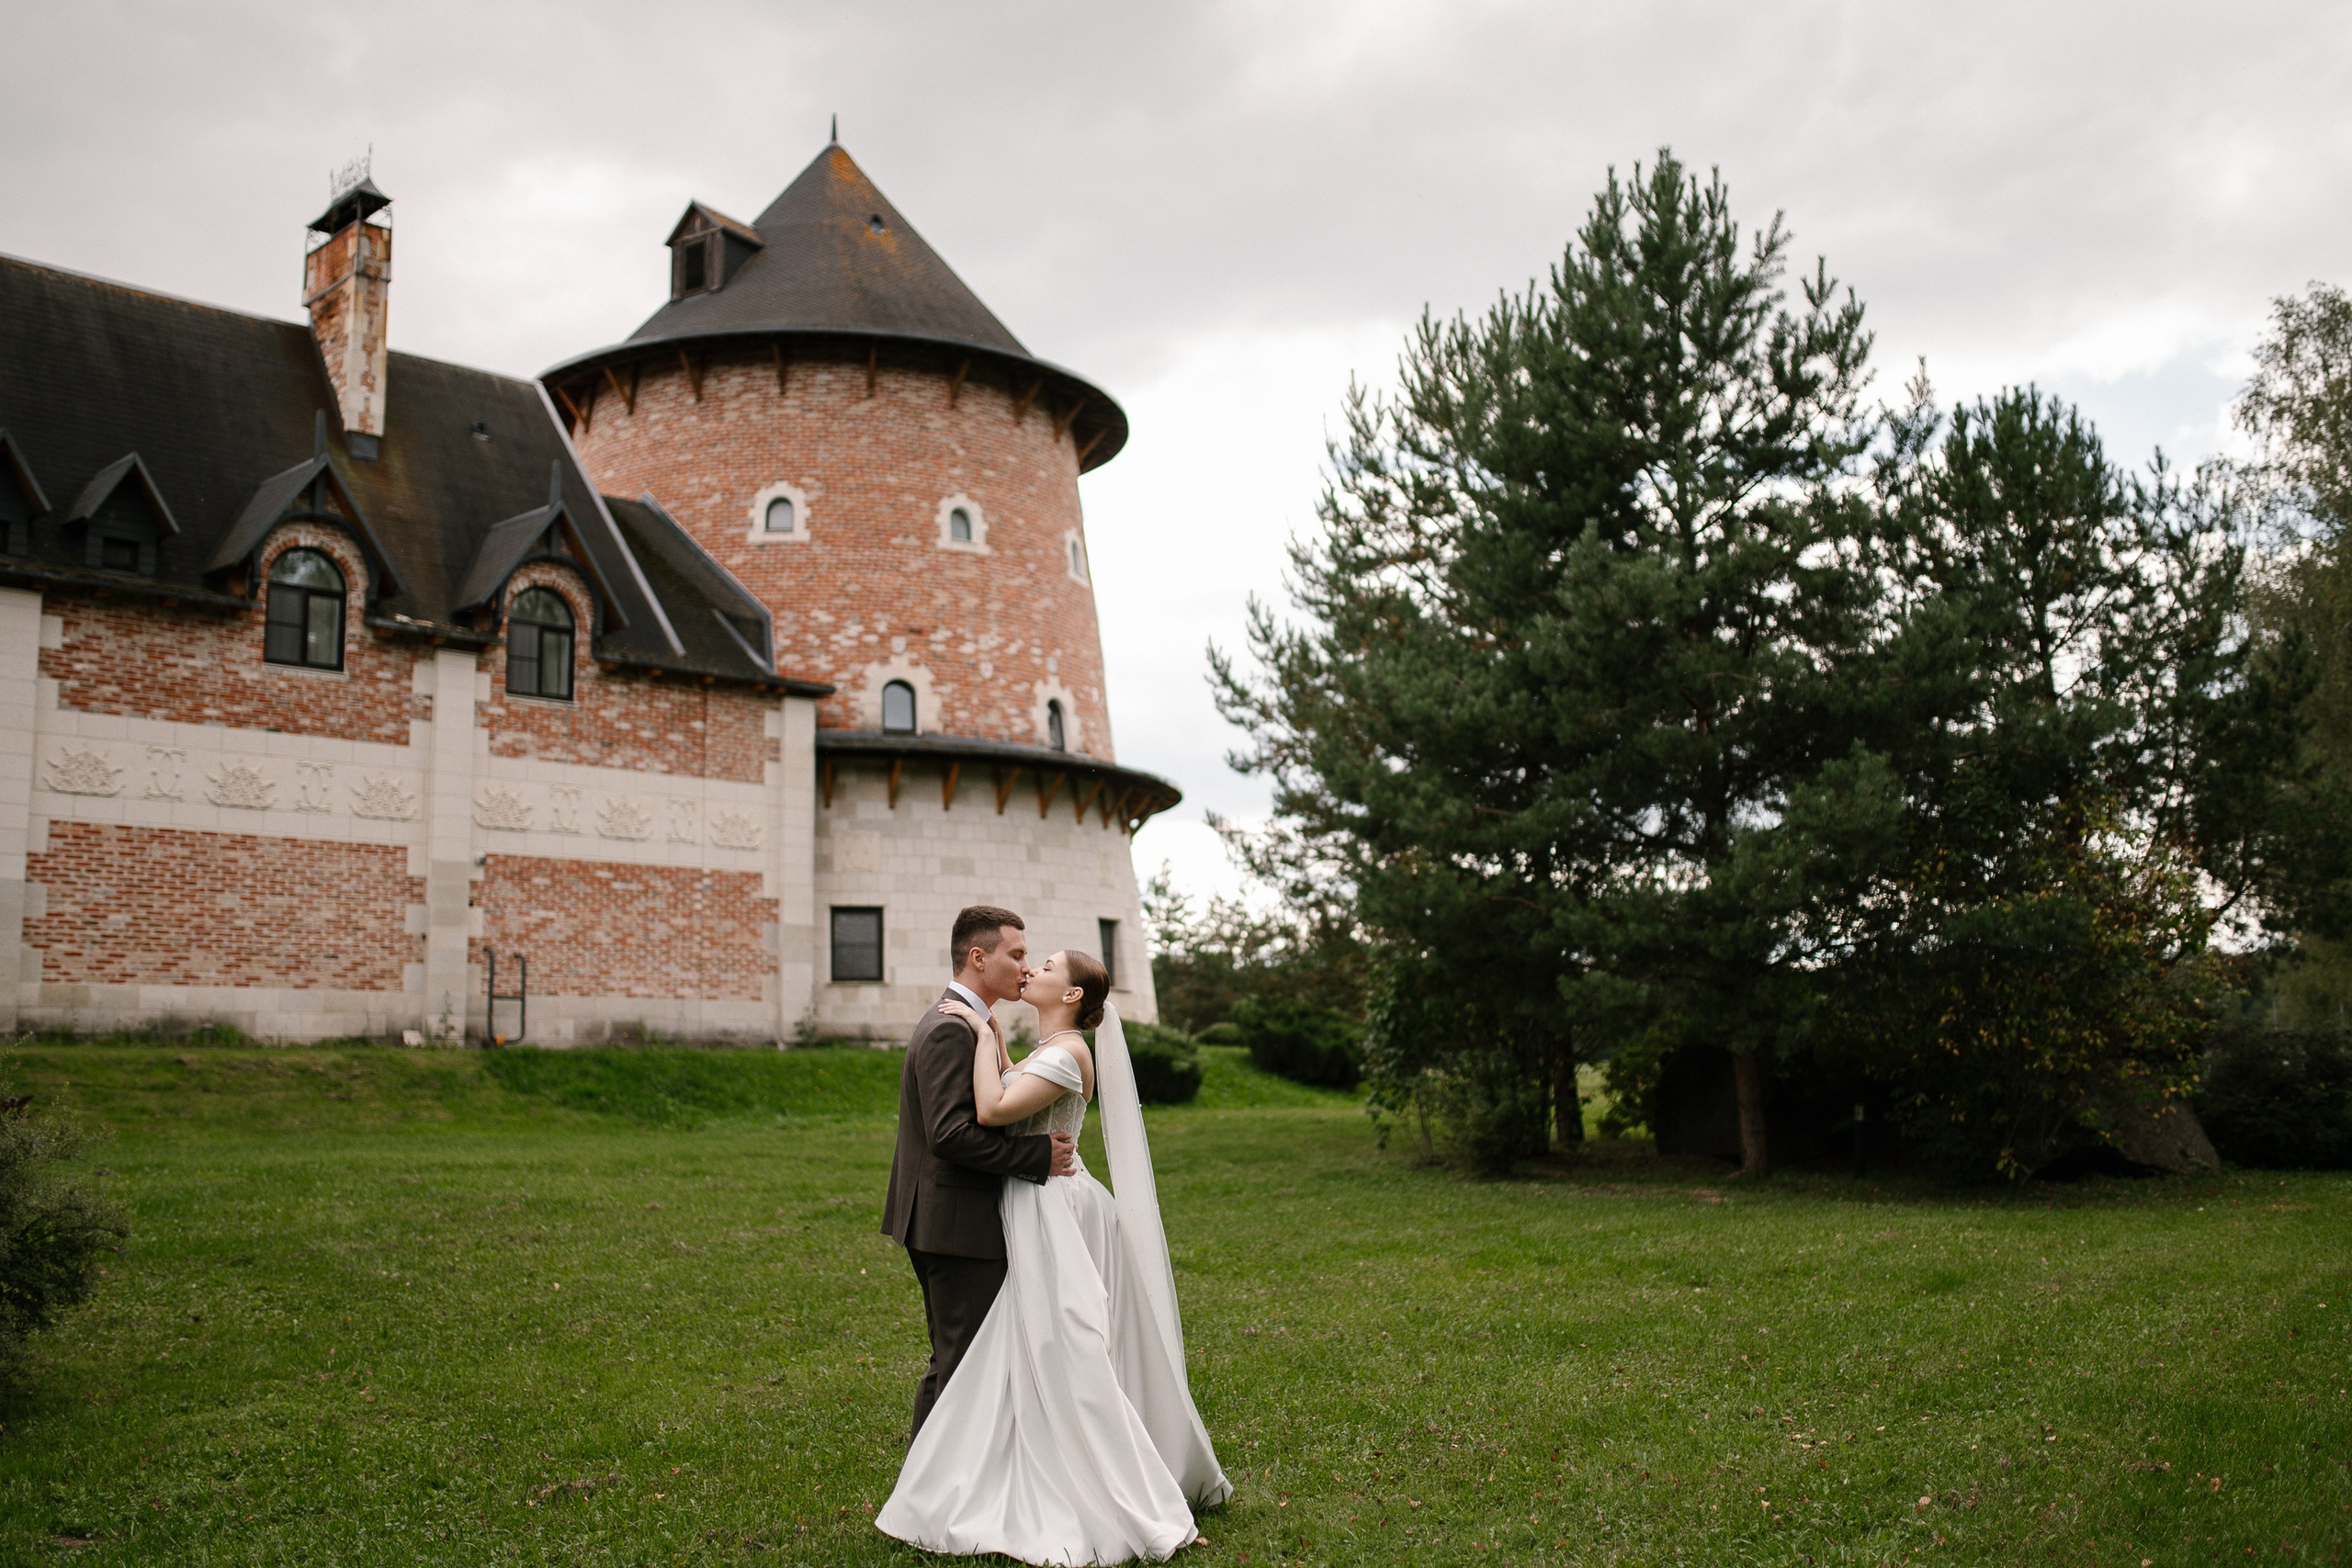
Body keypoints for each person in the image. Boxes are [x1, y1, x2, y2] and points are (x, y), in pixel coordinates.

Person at [876, 946, 1231, 1564]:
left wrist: (984, 1037)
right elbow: (1015, 1088)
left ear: (1072, 995)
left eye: (1046, 964)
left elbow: (991, 1108)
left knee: (1067, 1343)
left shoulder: (1069, 1054)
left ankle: (1126, 1491)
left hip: (1055, 1210)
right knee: (1028, 1341)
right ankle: (1002, 1462)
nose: (1032, 968)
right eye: (1029, 958)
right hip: (1030, 1205)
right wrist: (999, 1043)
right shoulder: (1047, 1052)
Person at [881, 905, 1077, 1440]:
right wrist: (1038, 1156)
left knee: (963, 1356)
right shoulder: (950, 1030)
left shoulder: (974, 1024)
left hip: (952, 1215)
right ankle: (927, 1499)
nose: (1025, 967)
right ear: (977, 957)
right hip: (952, 1220)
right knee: (961, 1363)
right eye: (1015, 955)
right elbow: (950, 1136)